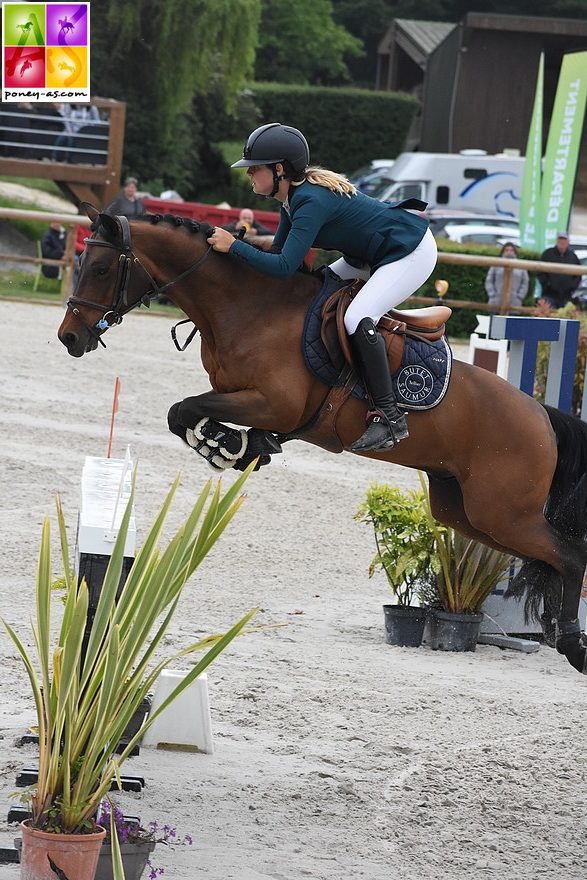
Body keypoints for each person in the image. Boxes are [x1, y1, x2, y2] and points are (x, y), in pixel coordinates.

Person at [206, 122, 437, 452]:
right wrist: (237, 252)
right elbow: (278, 257)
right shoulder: (291, 199)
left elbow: (285, 268)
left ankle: (389, 417)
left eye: (254, 169)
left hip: (408, 250)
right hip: (368, 255)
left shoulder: (310, 201)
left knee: (356, 318)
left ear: (279, 169)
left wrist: (235, 247)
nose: (249, 176)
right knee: (318, 297)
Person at [537, 232, 581, 310]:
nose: (562, 242)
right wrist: (547, 284)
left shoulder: (573, 257)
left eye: (564, 239)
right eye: (560, 239)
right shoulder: (547, 254)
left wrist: (572, 287)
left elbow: (578, 275)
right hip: (549, 294)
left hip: (567, 296)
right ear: (557, 241)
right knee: (547, 316)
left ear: (568, 242)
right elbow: (540, 271)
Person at [484, 242, 529, 309]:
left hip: (514, 301)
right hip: (496, 300)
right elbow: (489, 280)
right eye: (507, 250)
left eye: (511, 250)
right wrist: (492, 294)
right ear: (503, 251)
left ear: (514, 252)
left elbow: (525, 282)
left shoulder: (521, 265)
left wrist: (520, 296)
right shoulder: (496, 264)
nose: (509, 252)